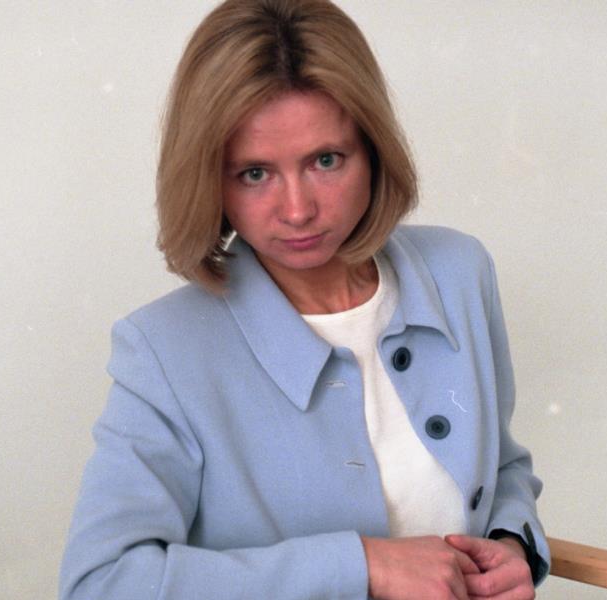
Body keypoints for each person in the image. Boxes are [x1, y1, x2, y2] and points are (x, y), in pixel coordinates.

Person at [60, 1, 549, 598]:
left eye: (325, 160)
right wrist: (362, 566)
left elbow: (502, 466)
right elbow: (102, 583)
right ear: (210, 179)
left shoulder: (460, 273)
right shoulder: (164, 351)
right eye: (255, 173)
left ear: (374, 150)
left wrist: (512, 544)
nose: (297, 210)